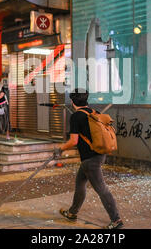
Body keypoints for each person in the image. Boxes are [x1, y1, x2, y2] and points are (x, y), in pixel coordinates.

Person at [53, 89, 123, 229]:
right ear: (86, 100)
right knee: (80, 184)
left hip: (90, 160)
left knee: (101, 189)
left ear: (72, 102)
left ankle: (116, 220)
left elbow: (73, 141)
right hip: (98, 155)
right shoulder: (93, 112)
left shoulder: (76, 117)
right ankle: (72, 213)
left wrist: (60, 149)